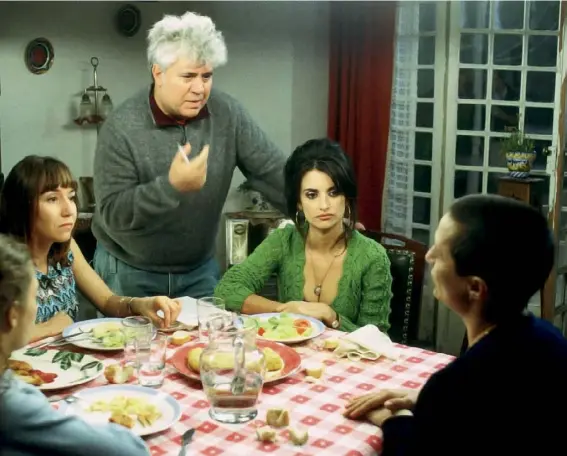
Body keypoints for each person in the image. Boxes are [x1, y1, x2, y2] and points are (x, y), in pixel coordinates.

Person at [343, 194, 567, 456]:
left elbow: (416, 449)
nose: (428, 256)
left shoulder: (457, 383)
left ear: (474, 287)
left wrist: (393, 417)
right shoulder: (549, 339)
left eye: (440, 253)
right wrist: (422, 398)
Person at [92, 11, 288, 300]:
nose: (200, 88)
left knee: (208, 346)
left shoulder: (228, 113)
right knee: (134, 347)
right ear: (158, 73)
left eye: (206, 76)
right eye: (188, 76)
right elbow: (113, 214)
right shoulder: (121, 127)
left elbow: (273, 171)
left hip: (199, 271)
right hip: (128, 271)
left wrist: (326, 211)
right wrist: (170, 188)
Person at [214, 138, 392, 332]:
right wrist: (283, 310)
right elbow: (227, 289)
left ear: (347, 197)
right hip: (294, 357)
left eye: (333, 192)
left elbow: (377, 339)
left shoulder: (373, 257)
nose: (324, 205)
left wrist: (332, 317)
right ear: (298, 202)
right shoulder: (284, 240)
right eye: (311, 195)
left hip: (345, 361)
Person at [0, 156, 181, 342]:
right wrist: (52, 326)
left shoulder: (66, 248)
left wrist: (140, 304)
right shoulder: (5, 261)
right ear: (21, 206)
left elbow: (106, 301)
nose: (69, 210)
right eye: (52, 199)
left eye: (70, 197)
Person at [0, 234, 150, 456]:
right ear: (13, 315)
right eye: (34, 298)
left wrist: (136, 304)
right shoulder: (11, 406)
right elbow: (129, 451)